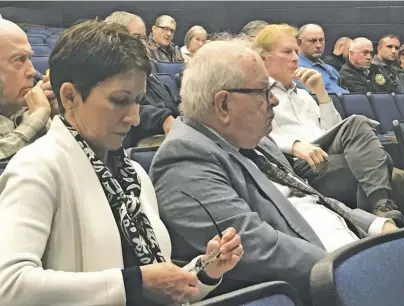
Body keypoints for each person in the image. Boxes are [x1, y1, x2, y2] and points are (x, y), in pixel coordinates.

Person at [0, 20, 243, 306]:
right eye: (119, 100)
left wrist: (204, 272)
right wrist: (136, 282)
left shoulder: (134, 173)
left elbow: (154, 289)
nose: (135, 117)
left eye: (138, 100)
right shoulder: (37, 167)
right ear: (70, 96)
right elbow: (9, 287)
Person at [149, 39, 399, 305]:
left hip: (350, 255)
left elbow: (311, 198)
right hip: (324, 281)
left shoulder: (256, 140)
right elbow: (259, 248)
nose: (275, 100)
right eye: (263, 92)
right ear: (223, 105)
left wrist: (374, 225)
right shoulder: (184, 160)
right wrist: (352, 272)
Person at [252, 25, 404, 224]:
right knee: (383, 163)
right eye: (287, 52)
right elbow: (253, 136)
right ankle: (383, 227)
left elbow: (333, 128)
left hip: (326, 150)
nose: (295, 58)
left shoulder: (304, 95)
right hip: (296, 162)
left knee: (357, 122)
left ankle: (381, 211)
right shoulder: (257, 93)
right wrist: (294, 145)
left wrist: (321, 92)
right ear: (263, 58)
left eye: (296, 53)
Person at [104, 11, 181, 148]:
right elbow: (125, 108)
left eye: (143, 39)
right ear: (114, 38)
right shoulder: (110, 73)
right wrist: (162, 118)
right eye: (136, 38)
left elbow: (171, 102)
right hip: (145, 139)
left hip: (169, 131)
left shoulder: (144, 67)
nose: (142, 45)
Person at [0, 19, 58, 161]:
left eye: (29, 58)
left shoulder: (27, 108)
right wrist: (38, 116)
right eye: (19, 59)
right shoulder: (36, 113)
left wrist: (60, 118)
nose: (32, 71)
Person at [295, 24, 348, 94]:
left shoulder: (330, 69)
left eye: (321, 40)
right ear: (299, 42)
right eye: (313, 41)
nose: (318, 45)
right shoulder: (296, 70)